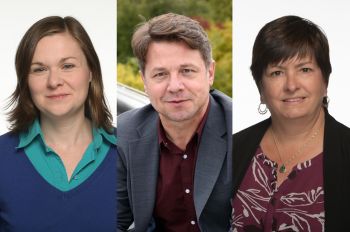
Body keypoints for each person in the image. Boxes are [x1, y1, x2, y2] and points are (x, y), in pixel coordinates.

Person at [231, 15, 350, 231]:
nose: (291, 85)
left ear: (325, 81)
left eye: (304, 69)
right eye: (277, 73)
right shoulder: (232, 150)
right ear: (261, 88)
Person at [117, 13, 232, 231]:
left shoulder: (243, 130)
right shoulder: (123, 133)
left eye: (187, 71)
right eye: (160, 74)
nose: (174, 86)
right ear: (144, 81)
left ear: (210, 73)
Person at [0, 16, 116, 231]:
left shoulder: (131, 152)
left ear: (91, 72)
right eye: (39, 69)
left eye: (68, 65)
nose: (54, 81)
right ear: (25, 80)